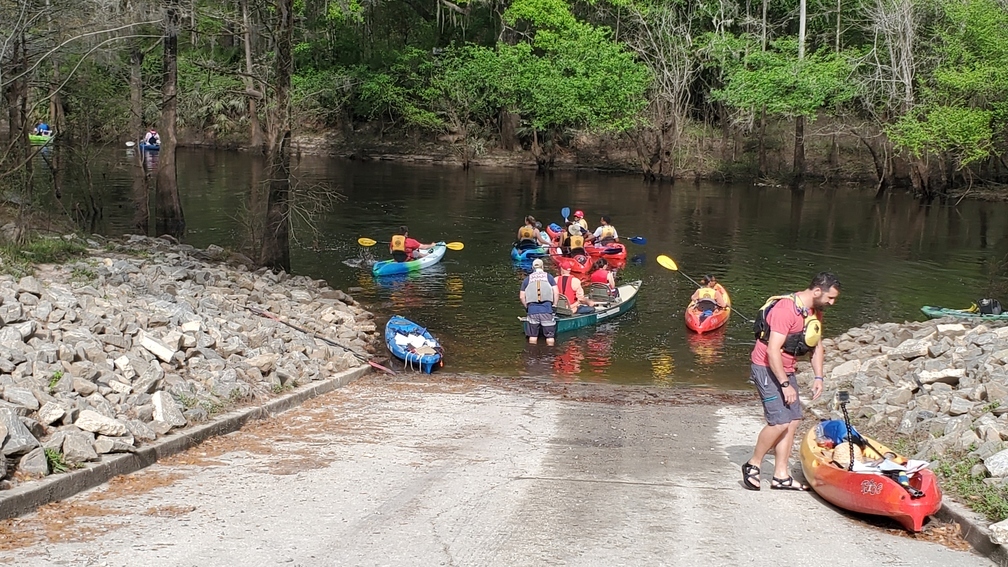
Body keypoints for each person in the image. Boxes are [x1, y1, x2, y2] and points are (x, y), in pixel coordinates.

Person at [742, 272, 841, 491]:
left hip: (787, 369)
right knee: (779, 422)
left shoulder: (815, 311)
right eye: (830, 298)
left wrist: (818, 377)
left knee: (793, 420)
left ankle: (780, 476)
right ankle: (753, 464)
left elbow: (816, 346)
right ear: (817, 292)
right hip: (766, 367)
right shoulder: (786, 309)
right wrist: (785, 385)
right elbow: (772, 350)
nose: (832, 303)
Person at [520, 258, 559, 346]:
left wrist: (527, 307)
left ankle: (532, 357)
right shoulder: (549, 277)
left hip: (532, 310)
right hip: (546, 309)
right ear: (542, 267)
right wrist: (555, 305)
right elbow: (556, 292)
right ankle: (549, 356)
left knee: (533, 336)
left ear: (533, 268)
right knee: (550, 337)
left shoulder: (527, 279)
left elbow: (522, 296)